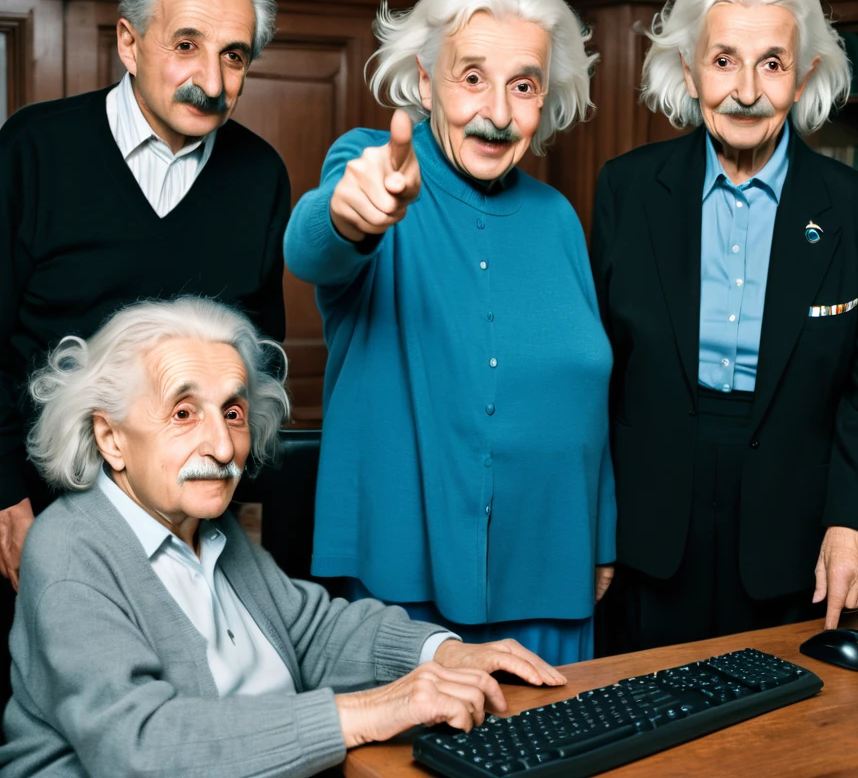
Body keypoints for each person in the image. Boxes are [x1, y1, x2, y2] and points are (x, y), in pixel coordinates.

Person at [0, 297, 564, 778]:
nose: (222, 448)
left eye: (234, 412)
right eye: (183, 413)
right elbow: (139, 743)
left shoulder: (212, 531)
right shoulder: (70, 551)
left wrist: (444, 652)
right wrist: (361, 713)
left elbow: (314, 633)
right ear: (111, 437)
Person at [283, 0, 614, 665]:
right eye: (472, 78)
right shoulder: (375, 166)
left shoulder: (557, 218)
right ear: (426, 83)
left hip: (553, 567)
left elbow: (591, 388)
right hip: (402, 582)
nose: (497, 110)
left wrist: (602, 535)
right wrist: (353, 213)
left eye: (523, 86)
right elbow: (314, 245)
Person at [0, 0, 291, 703]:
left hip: (188, 531)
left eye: (235, 56)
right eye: (186, 45)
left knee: (181, 724)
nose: (212, 80)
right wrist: (3, 498)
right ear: (129, 43)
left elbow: (259, 361)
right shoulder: (34, 149)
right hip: (38, 512)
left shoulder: (259, 175)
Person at [592, 0, 858, 654]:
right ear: (691, 69)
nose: (746, 91)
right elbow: (597, 374)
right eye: (724, 61)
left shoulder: (856, 209)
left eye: (772, 64)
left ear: (806, 75)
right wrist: (593, 522)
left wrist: (854, 521)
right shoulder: (628, 190)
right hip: (649, 520)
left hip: (792, 525)